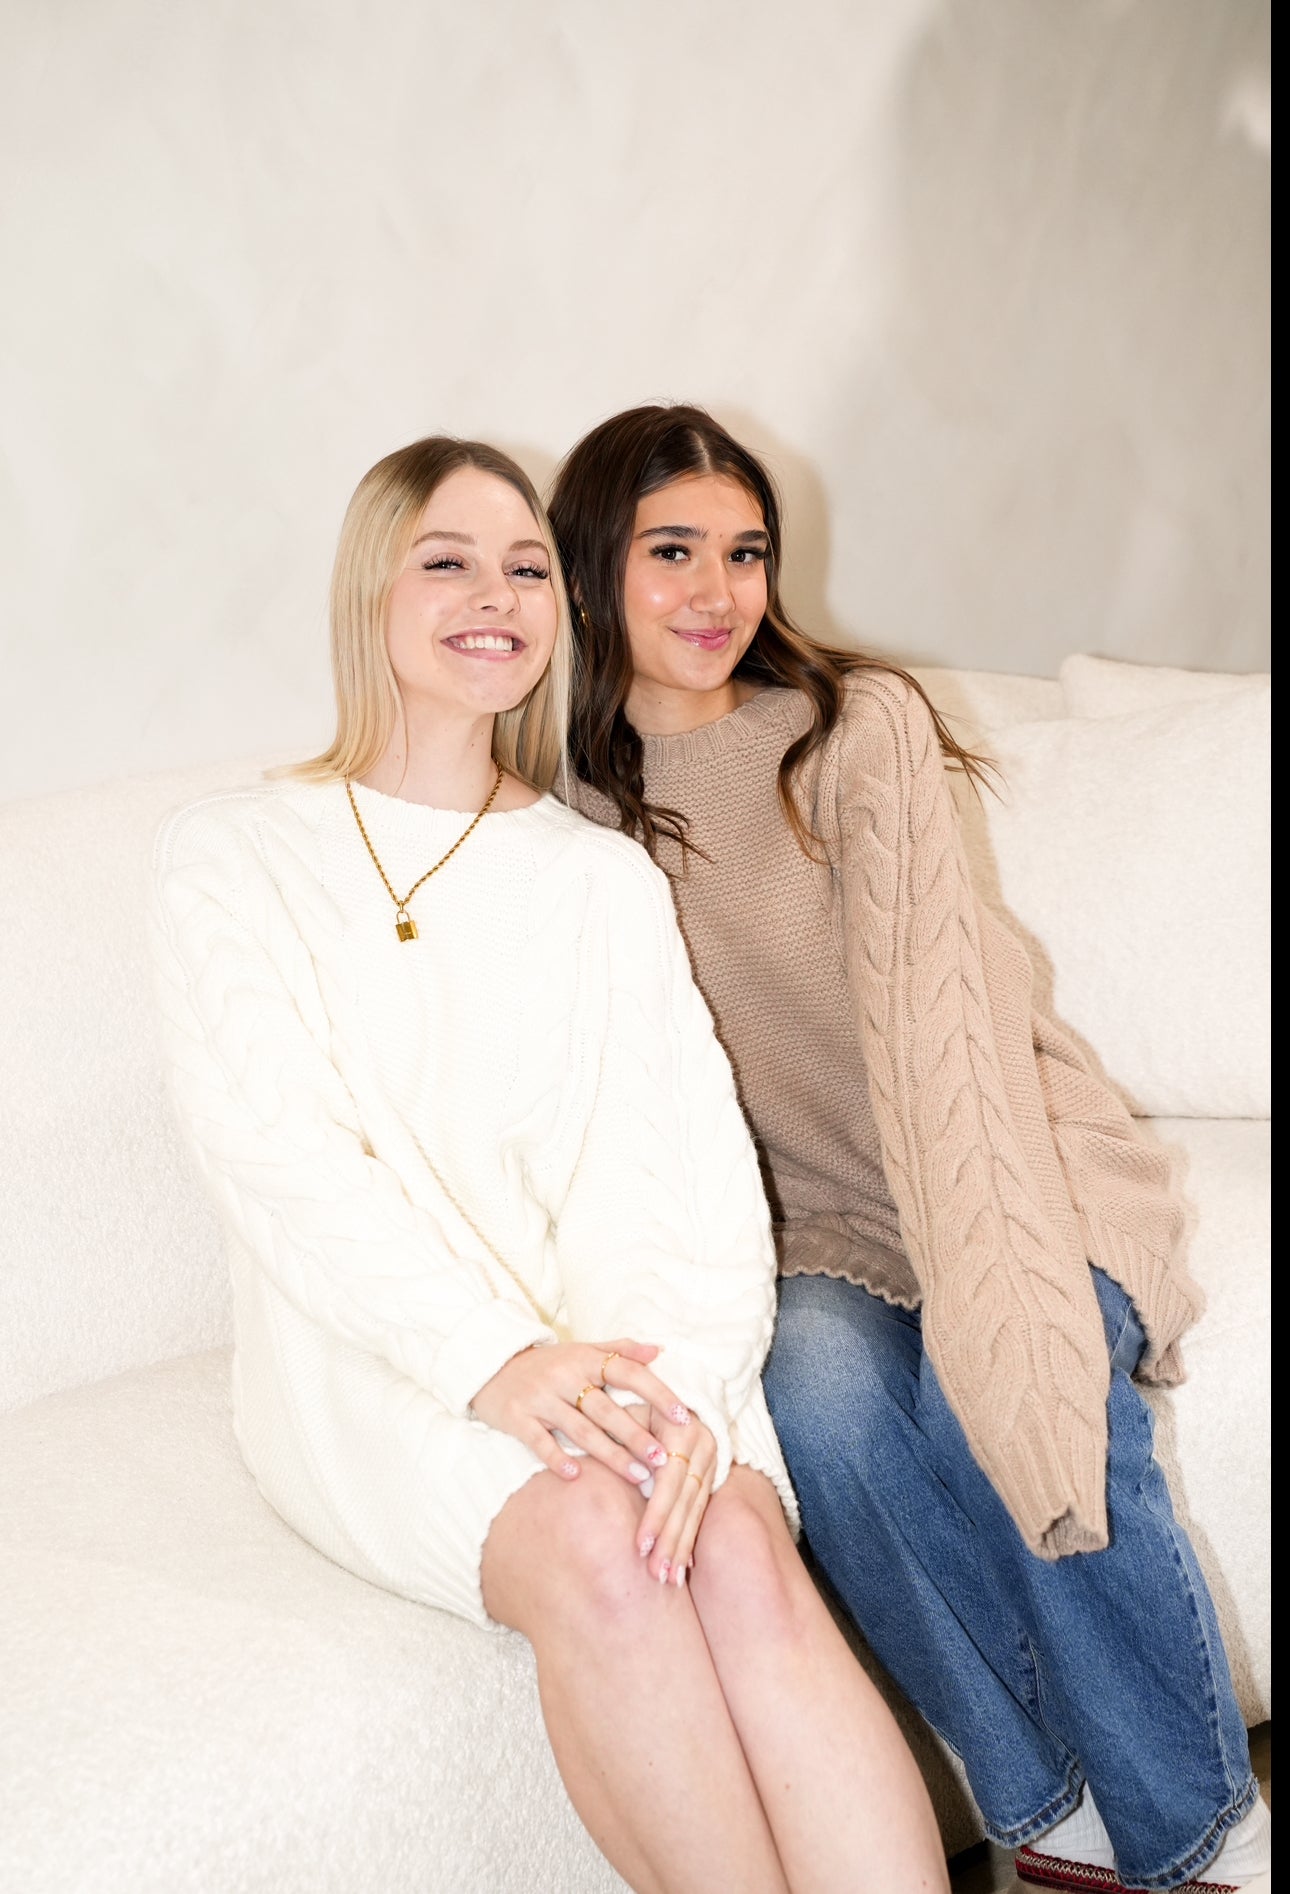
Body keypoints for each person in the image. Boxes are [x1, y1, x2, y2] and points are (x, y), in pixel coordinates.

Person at [150, 435, 948, 1894]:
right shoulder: (233, 855)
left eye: (525, 568)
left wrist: (683, 1386)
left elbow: (682, 1167)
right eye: (446, 562)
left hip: (616, 1349)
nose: (494, 596)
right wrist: (496, 1360)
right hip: (375, 1363)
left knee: (734, 1542)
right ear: (370, 593)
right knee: (599, 1538)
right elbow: (279, 1162)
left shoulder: (597, 874)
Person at [548, 403, 1272, 1894]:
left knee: (1009, 1377)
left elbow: (947, 1051)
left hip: (1014, 1158)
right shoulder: (573, 811)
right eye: (671, 551)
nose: (716, 591)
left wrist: (990, 1301)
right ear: (592, 569)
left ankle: (1206, 1841)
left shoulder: (847, 728)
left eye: (745, 552)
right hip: (817, 1234)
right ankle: (1049, 1817)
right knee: (818, 1404)